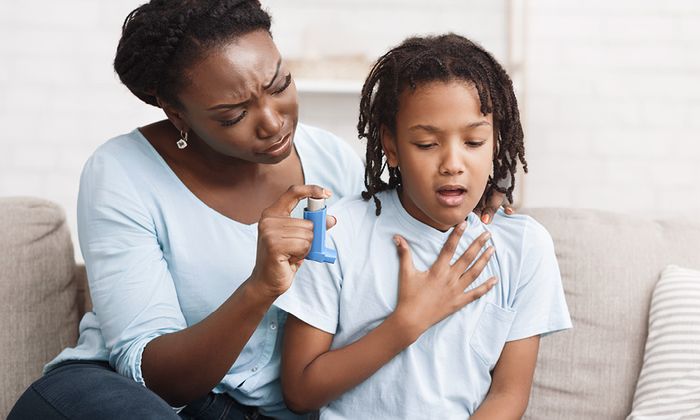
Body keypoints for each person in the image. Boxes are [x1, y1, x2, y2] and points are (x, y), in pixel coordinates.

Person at [8, 2, 510, 419]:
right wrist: (260, 287)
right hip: (129, 401)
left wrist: (473, 193)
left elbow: (418, 203)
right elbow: (157, 379)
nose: (272, 122)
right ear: (175, 111)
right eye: (233, 114)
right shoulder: (122, 173)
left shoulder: (334, 163)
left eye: (279, 85)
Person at [275, 33, 573, 419]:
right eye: (427, 144)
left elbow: (508, 396)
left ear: (496, 143)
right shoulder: (336, 232)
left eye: (474, 141)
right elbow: (300, 391)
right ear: (392, 146)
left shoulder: (523, 247)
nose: (452, 163)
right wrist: (407, 323)